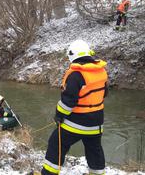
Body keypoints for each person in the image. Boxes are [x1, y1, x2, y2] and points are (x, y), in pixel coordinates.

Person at [40, 40, 108, 175]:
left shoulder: (76, 75)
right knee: (94, 150)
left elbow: (68, 102)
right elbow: (104, 93)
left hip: (76, 123)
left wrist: (59, 115)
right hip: (96, 123)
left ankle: (49, 173)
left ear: (72, 55)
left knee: (56, 143)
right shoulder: (101, 72)